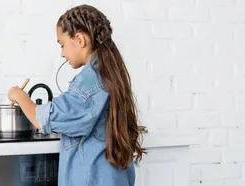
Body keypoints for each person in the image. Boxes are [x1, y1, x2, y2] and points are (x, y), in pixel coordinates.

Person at [8, 4, 146, 186]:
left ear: (80, 40)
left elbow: (44, 118)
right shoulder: (110, 74)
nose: (62, 54)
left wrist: (19, 96)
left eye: (62, 45)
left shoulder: (89, 81)